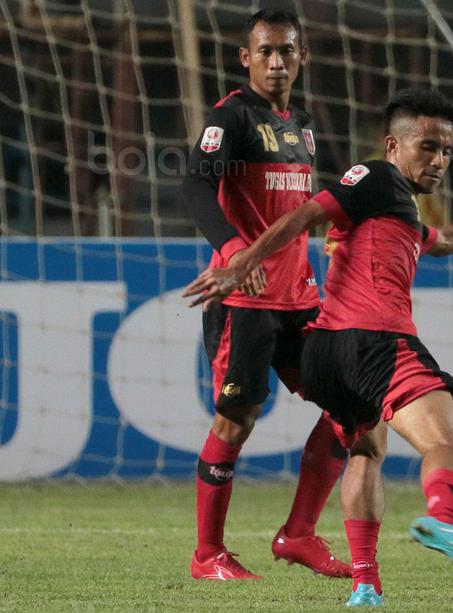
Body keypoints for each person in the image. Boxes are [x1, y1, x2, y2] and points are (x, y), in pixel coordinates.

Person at [185, 88, 453, 607]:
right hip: (374, 342)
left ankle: (365, 582)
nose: (438, 161)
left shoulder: (395, 205)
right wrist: (242, 260)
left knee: (364, 446)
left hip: (326, 351)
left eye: (447, 151)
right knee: (445, 445)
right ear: (393, 145)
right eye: (426, 147)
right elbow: (303, 216)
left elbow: (442, 239)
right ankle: (443, 522)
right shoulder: (374, 177)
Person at [181, 9, 352, 580]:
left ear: (301, 57)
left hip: (299, 296)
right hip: (244, 302)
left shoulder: (301, 123)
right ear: (245, 58)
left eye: (287, 51)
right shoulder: (230, 117)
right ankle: (207, 555)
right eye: (266, 52)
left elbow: (289, 207)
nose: (277, 62)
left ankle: (298, 534)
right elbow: (196, 183)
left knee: (350, 406)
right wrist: (233, 253)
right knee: (237, 418)